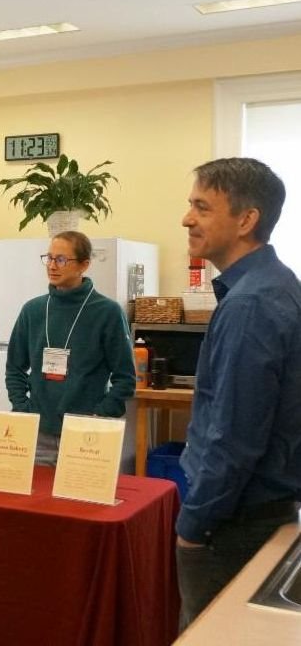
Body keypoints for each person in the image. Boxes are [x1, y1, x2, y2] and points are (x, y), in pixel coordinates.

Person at [176, 158, 301, 630]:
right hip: (260, 515)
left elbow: (233, 439)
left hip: (230, 527)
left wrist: (192, 527)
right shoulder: (277, 285)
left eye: (202, 207)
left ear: (246, 220)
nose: (187, 219)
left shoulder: (250, 304)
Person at [5, 231, 135, 465]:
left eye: (62, 260)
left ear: (84, 265)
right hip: (38, 435)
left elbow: (126, 378)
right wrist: (22, 408)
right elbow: (14, 367)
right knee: (36, 501)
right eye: (49, 258)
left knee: (83, 501)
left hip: (87, 437)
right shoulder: (32, 310)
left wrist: (100, 415)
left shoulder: (107, 312)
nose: (52, 266)